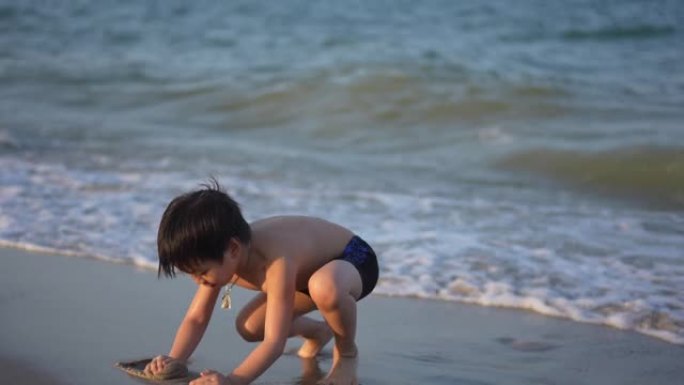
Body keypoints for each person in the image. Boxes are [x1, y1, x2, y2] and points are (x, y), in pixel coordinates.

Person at [144, 180, 379, 385]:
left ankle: (346, 354)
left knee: (324, 286)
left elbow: (274, 343)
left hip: (353, 258)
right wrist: (175, 360)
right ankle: (319, 331)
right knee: (250, 327)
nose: (198, 280)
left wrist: (234, 380)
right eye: (191, 273)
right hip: (306, 279)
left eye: (202, 272)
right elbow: (196, 318)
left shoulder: (275, 261)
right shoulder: (222, 254)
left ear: (233, 249)